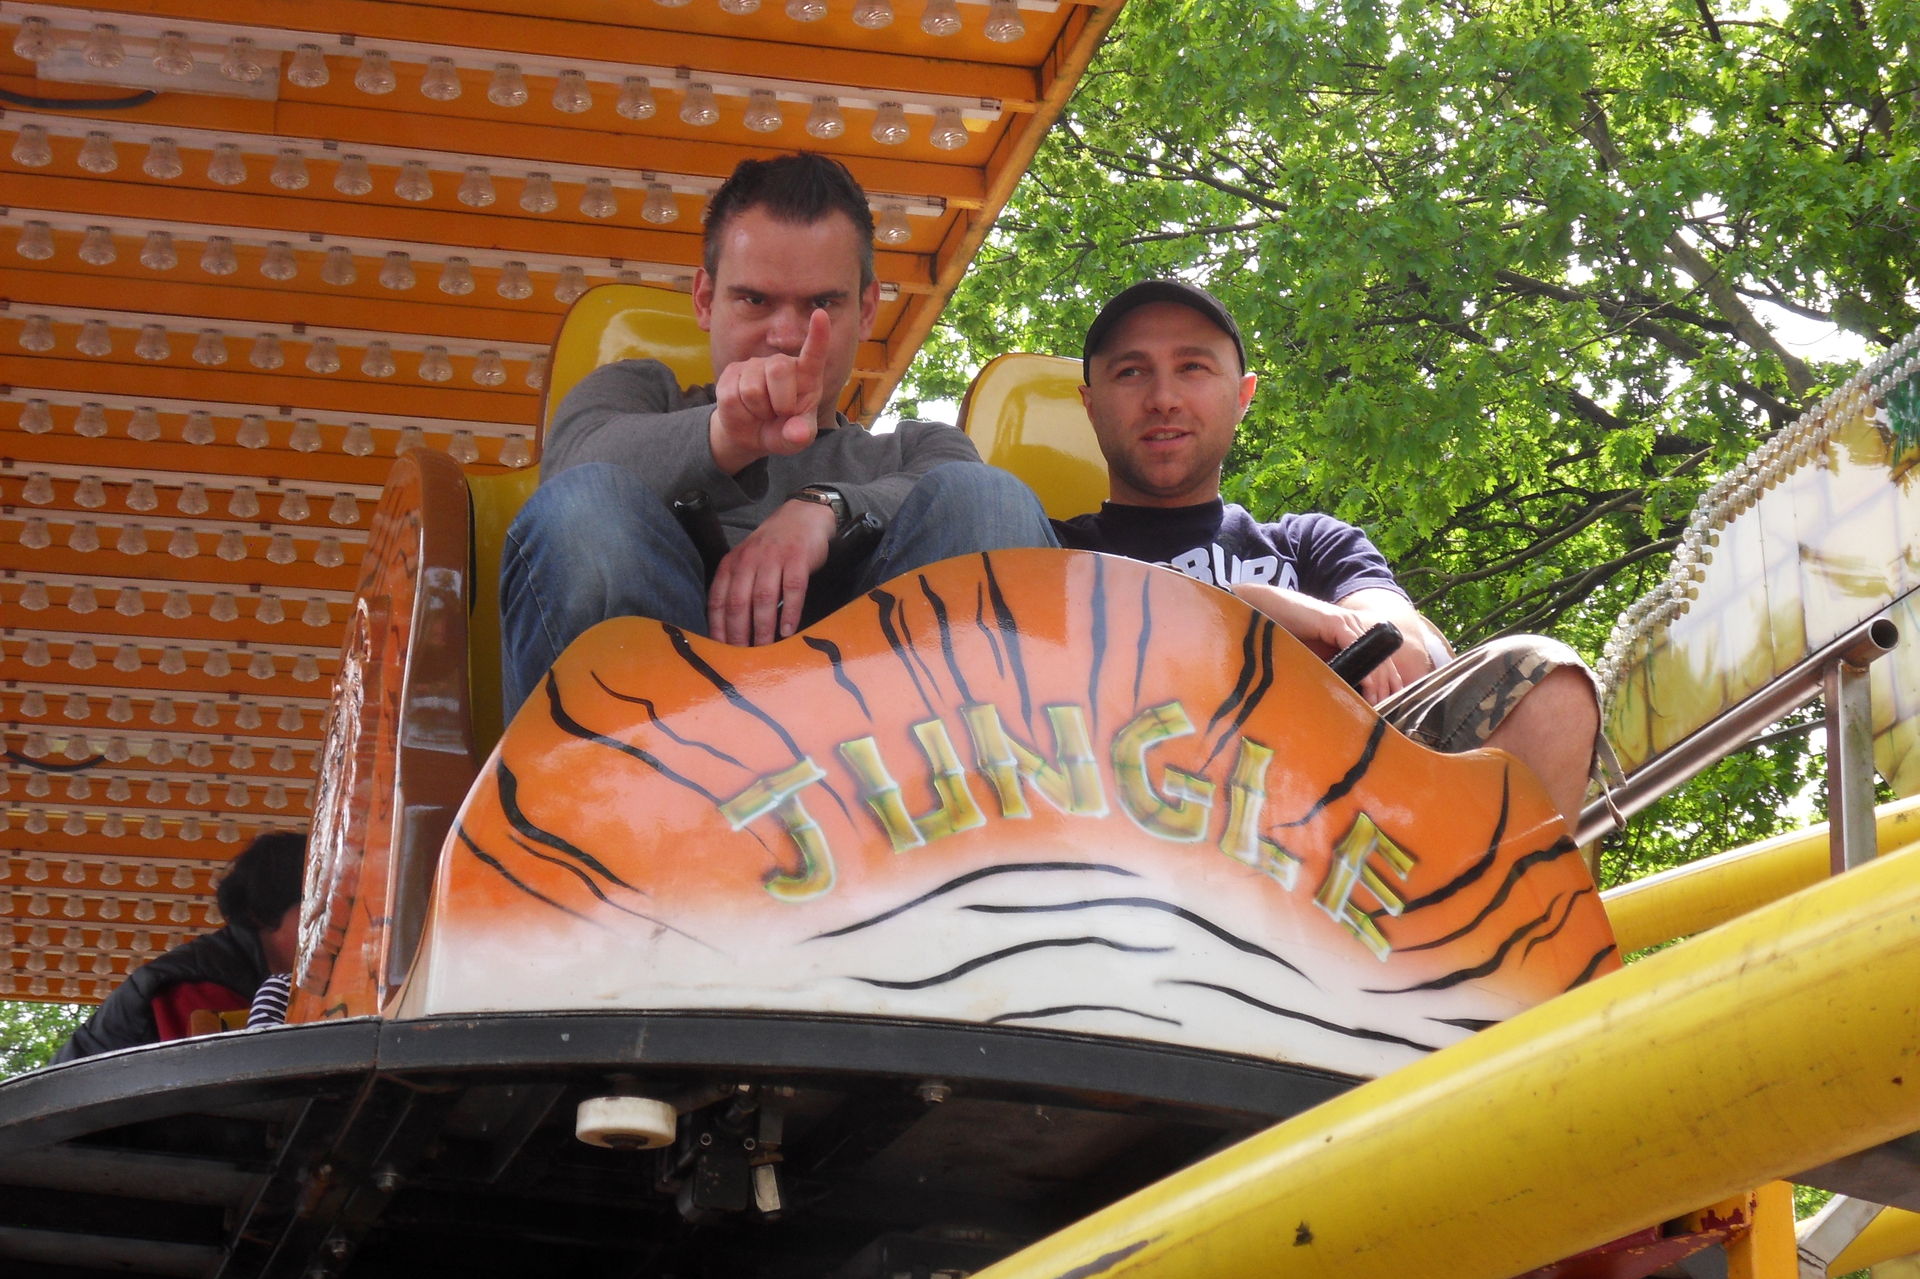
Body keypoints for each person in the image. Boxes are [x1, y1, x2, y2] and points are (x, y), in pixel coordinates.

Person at [501, 153, 1055, 719]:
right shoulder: (633, 393)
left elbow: (973, 501)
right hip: (666, 729)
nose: (788, 336)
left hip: (879, 736)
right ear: (705, 300)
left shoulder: (918, 451)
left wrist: (824, 506)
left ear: (866, 310)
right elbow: (568, 483)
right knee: (584, 505)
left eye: (822, 304)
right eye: (755, 300)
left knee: (990, 497)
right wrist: (726, 434)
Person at [1054, 279, 1605, 827]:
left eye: (1193, 367)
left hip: (1333, 824)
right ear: (1090, 405)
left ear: (1243, 397)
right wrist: (1255, 608)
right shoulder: (1050, 552)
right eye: (1131, 372)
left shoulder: (1312, 543)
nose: (1164, 398)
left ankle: (1502, 883)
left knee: (1549, 682)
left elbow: (1402, 653)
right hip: (1101, 804)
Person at [53, 831, 306, 1061]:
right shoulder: (200, 986)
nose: (322, 929)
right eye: (312, 911)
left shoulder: (233, 973)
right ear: (262, 913)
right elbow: (220, 1079)